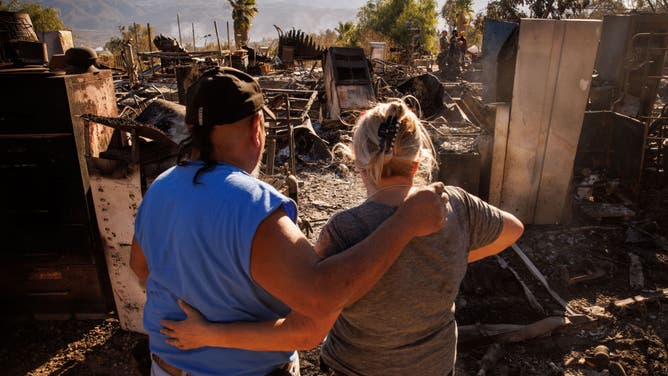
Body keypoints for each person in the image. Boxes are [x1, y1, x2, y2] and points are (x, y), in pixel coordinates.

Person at [160, 99, 524, 375]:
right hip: (435, 366)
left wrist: (209, 333)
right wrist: (457, 253)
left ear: (357, 161)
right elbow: (512, 229)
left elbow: (307, 329)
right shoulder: (454, 205)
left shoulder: (345, 229)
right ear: (418, 163)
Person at [129, 68, 449, 376]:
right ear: (257, 127)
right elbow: (315, 313)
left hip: (167, 367)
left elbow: (140, 268)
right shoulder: (250, 204)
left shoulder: (160, 189)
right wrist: (405, 223)